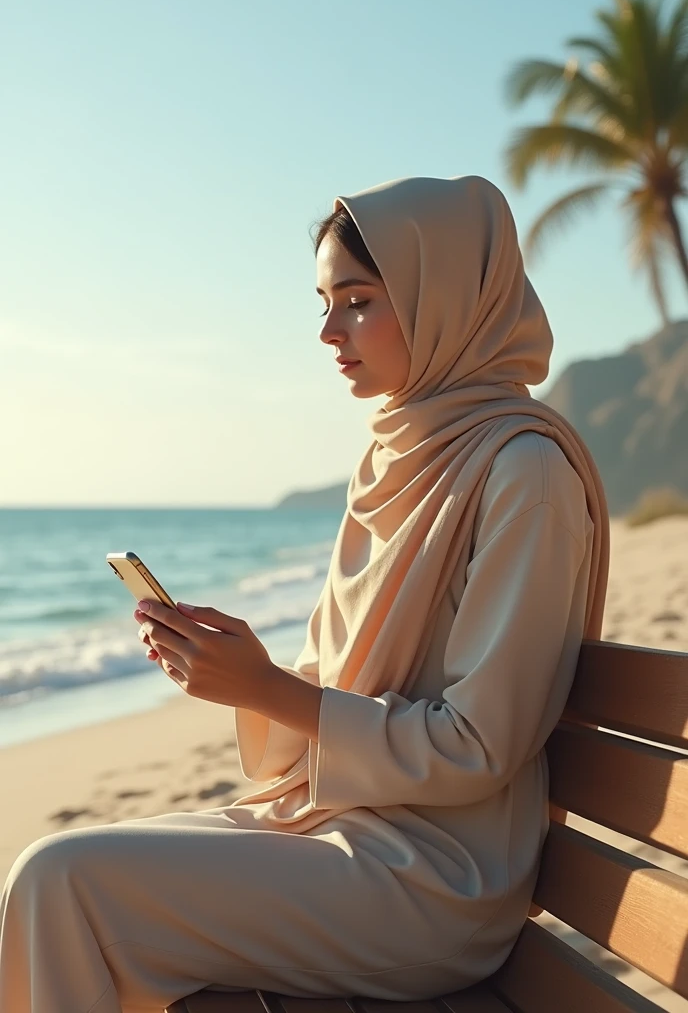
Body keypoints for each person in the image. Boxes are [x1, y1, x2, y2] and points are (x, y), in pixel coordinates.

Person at [0, 174, 609, 1013]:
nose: (329, 331)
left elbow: (480, 743)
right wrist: (238, 672)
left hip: (435, 879)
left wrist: (267, 689)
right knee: (42, 877)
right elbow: (320, 696)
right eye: (324, 303)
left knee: (63, 883)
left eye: (357, 301)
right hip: (338, 827)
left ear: (443, 299)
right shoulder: (393, 459)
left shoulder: (523, 472)